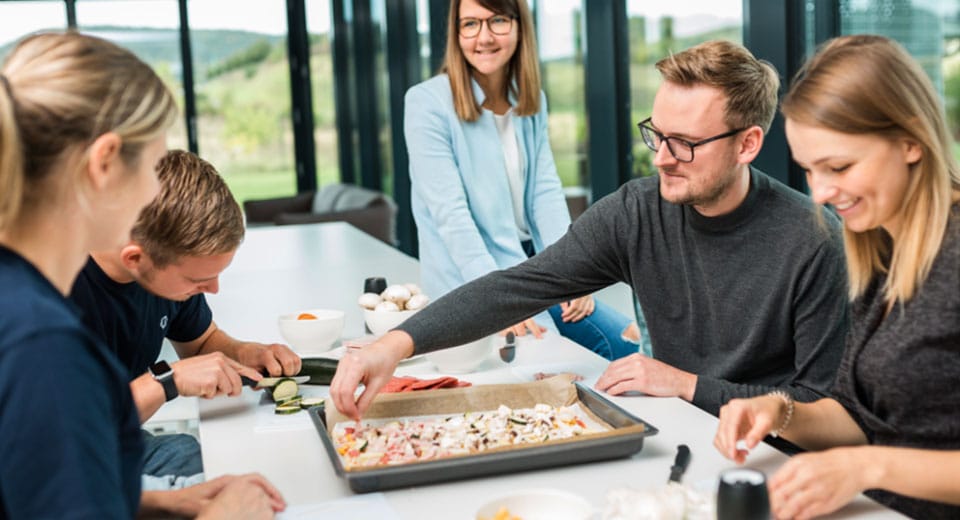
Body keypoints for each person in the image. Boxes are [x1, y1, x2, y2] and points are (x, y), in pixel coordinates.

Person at [331, 39, 849, 419]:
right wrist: (393, 345)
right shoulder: (637, 211)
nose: (663, 159)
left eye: (686, 143)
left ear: (747, 144)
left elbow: (820, 408)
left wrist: (686, 384)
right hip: (674, 423)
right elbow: (519, 287)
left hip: (767, 459)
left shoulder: (812, 241)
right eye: (657, 135)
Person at [0, 31, 283, 518]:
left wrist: (157, 504)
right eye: (153, 164)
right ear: (105, 163)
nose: (157, 187)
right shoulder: (44, 345)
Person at [713, 35, 960, 520]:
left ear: (911, 140)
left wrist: (867, 467)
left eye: (839, 166)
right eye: (809, 170)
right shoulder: (883, 247)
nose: (821, 193)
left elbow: (869, 451)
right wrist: (780, 412)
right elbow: (855, 416)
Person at [403, 0, 640, 361]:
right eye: (470, 24)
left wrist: (576, 273)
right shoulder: (427, 103)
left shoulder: (531, 101)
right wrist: (495, 303)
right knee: (562, 369)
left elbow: (545, 193)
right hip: (473, 287)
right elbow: (450, 216)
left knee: (628, 348)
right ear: (456, 33)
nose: (483, 37)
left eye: (496, 20)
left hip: (534, 273)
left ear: (518, 26)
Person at [70, 149, 302, 478]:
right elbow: (64, 436)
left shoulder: (160, 275)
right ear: (135, 258)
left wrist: (244, 352)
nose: (214, 290)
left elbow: (201, 340)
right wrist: (168, 380)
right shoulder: (52, 295)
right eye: (198, 280)